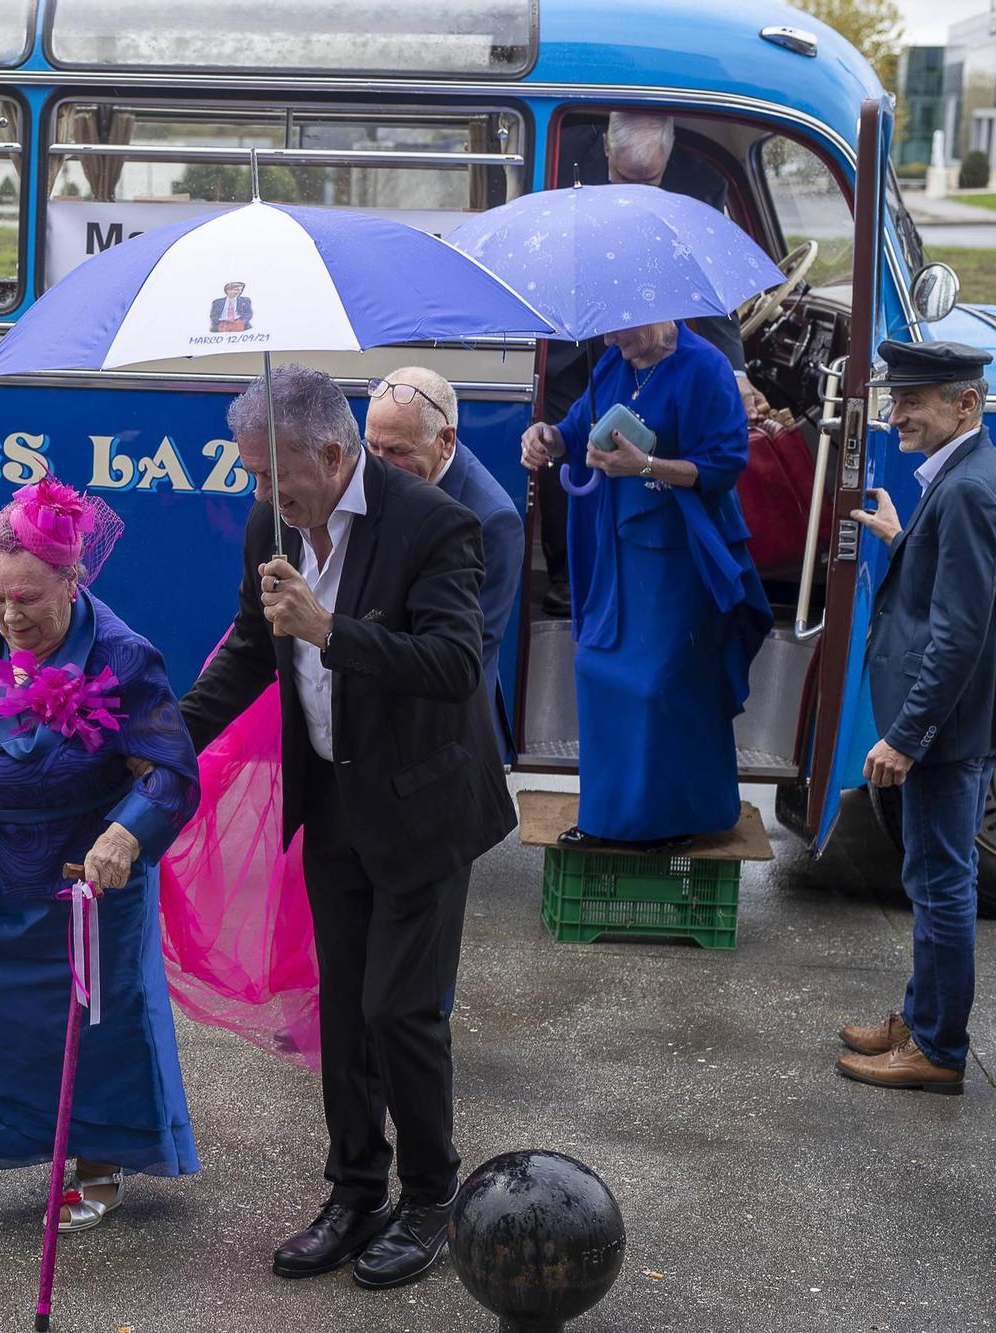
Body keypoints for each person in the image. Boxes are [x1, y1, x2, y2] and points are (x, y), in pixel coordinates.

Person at [182, 365, 514, 1289]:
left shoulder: (436, 523)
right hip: (332, 800)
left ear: (336, 454)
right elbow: (255, 645)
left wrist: (330, 628)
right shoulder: (273, 522)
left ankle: (431, 1193)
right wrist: (168, 742)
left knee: (399, 1010)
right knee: (343, 1012)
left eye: (275, 478)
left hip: (424, 803)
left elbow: (455, 662)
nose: (262, 496)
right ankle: (356, 1186)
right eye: (252, 477)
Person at [0, 476, 200, 1229]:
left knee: (90, 1025)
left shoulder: (121, 654)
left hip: (79, 877)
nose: (9, 614)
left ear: (73, 578)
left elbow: (172, 773)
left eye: (28, 598)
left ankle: (96, 1158)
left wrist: (125, 834)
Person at [520, 321, 769, 848]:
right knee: (594, 667)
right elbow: (575, 427)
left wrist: (647, 465)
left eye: (619, 331)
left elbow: (725, 465)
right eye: (605, 332)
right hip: (616, 547)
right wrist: (548, 438)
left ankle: (679, 819)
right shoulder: (614, 361)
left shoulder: (706, 368)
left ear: (656, 312)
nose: (610, 342)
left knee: (659, 684)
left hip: (680, 554)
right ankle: (610, 821)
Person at [837, 341, 996, 1097]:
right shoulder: (964, 476)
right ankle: (920, 1016)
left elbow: (961, 631)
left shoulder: (969, 489)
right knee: (931, 875)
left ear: (964, 405)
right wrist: (903, 538)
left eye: (914, 401)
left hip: (943, 733)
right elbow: (958, 590)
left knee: (941, 884)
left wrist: (907, 734)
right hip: (948, 728)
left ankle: (936, 1048)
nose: (895, 412)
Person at [537, 111, 764, 616]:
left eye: (651, 181)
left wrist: (737, 371)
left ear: (670, 155)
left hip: (650, 337)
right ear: (606, 152)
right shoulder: (562, 153)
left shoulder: (701, 183)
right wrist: (552, 437)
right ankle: (569, 575)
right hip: (570, 337)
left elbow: (711, 285)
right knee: (571, 438)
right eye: (625, 178)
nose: (638, 190)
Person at [365, 368, 524, 760]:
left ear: (445, 440)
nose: (380, 466)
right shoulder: (379, 475)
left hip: (447, 739)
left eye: (398, 451)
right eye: (373, 447)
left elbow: (464, 655)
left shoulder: (492, 520)